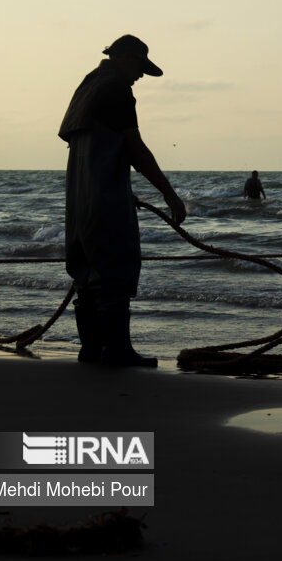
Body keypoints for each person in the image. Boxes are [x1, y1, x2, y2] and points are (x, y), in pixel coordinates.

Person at [59, 34, 186, 368]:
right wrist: (169, 194)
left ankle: (91, 349)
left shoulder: (87, 87)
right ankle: (116, 350)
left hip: (78, 201)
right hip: (105, 199)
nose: (141, 75)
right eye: (140, 67)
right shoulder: (117, 89)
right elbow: (135, 149)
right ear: (126, 58)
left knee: (86, 274)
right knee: (115, 270)